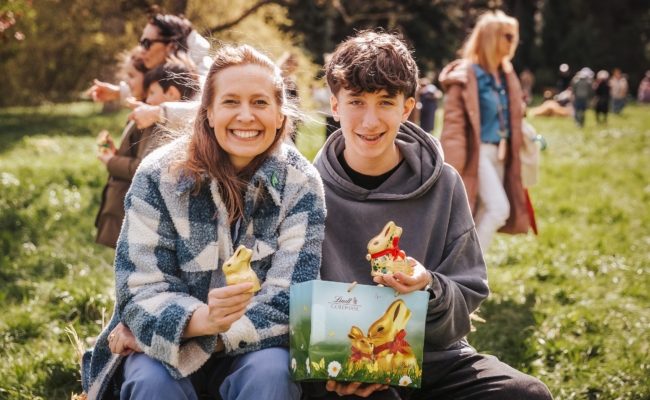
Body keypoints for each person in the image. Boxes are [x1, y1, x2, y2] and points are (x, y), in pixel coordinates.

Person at [308, 30, 552, 400]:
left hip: (433, 359)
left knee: (527, 393)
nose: (370, 121)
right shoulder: (306, 188)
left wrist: (428, 288)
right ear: (336, 106)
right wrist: (336, 361)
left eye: (385, 102)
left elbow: (468, 291)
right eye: (356, 102)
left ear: (407, 108)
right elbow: (291, 298)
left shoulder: (444, 184)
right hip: (342, 366)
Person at [81, 44, 326, 400]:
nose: (246, 116)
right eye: (230, 102)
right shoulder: (158, 176)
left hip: (249, 346)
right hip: (165, 350)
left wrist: (203, 338)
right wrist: (201, 321)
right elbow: (140, 289)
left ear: (280, 114)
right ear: (208, 112)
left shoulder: (300, 184)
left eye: (260, 103)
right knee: (152, 382)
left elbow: (292, 299)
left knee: (271, 372)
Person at [439, 10, 533, 251]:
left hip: (500, 153)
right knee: (498, 209)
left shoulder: (505, 73)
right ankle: (470, 268)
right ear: (491, 38)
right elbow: (453, 124)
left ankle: (465, 275)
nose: (514, 42)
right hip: (476, 154)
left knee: (481, 212)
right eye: (508, 37)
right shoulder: (466, 76)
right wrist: (453, 165)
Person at [95, 56, 199, 249]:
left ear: (172, 94)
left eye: (151, 92)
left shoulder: (163, 127)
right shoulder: (157, 119)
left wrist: (111, 161)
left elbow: (145, 167)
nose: (148, 99)